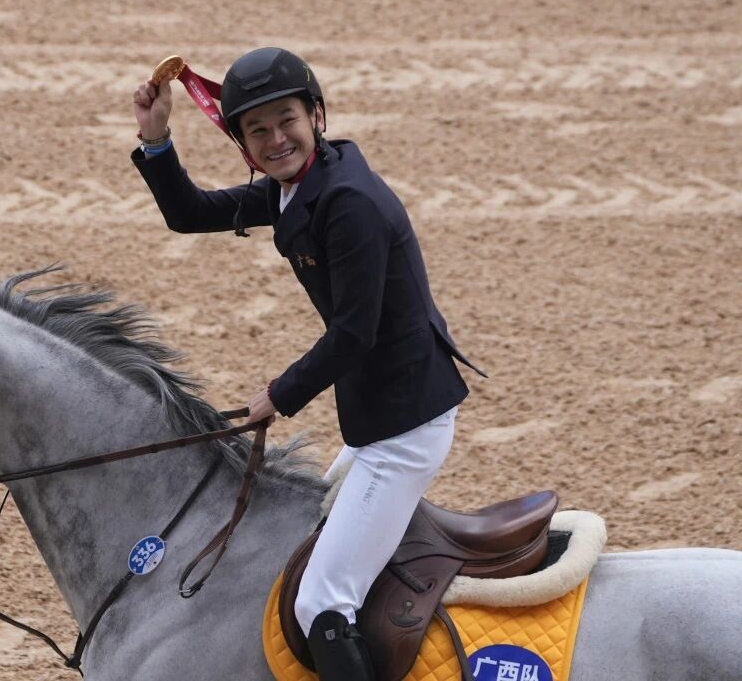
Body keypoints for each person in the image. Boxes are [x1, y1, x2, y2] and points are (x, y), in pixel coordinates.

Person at [130, 47, 486, 681]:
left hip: (404, 427)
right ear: (241, 141)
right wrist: (156, 139)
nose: (275, 140)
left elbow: (354, 333)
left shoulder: (348, 204)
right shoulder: (299, 185)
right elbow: (190, 214)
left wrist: (280, 393)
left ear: (316, 116)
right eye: (257, 130)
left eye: (286, 121)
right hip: (378, 413)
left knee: (322, 602)